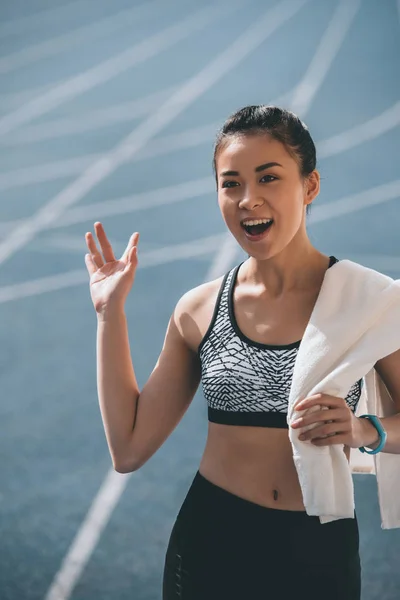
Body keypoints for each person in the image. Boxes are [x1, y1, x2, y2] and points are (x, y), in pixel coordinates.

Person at [84, 106, 391, 599]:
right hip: (210, 542)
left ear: (309, 186)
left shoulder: (368, 302)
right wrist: (109, 314)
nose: (249, 200)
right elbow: (129, 447)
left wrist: (363, 431)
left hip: (318, 550)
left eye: (269, 177)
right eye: (231, 184)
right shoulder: (200, 309)